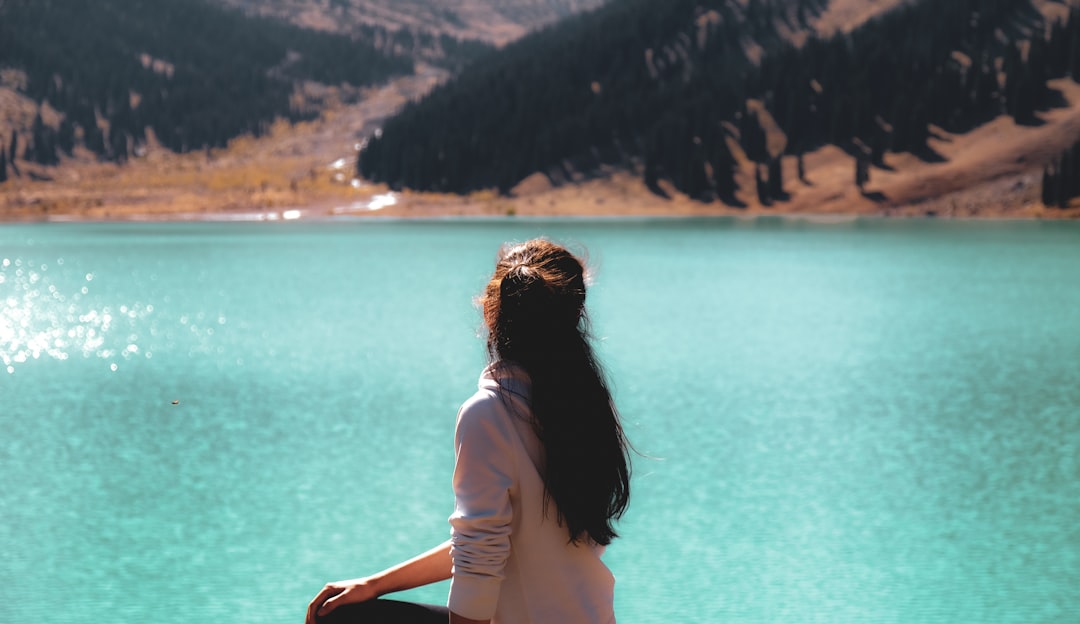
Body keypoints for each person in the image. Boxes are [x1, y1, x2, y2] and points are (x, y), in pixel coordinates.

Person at [306, 239, 632, 624]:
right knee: (356, 603)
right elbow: (485, 543)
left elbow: (479, 564)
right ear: (576, 313)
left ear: (491, 313)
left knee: (339, 620)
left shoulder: (490, 413)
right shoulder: (588, 405)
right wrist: (375, 584)